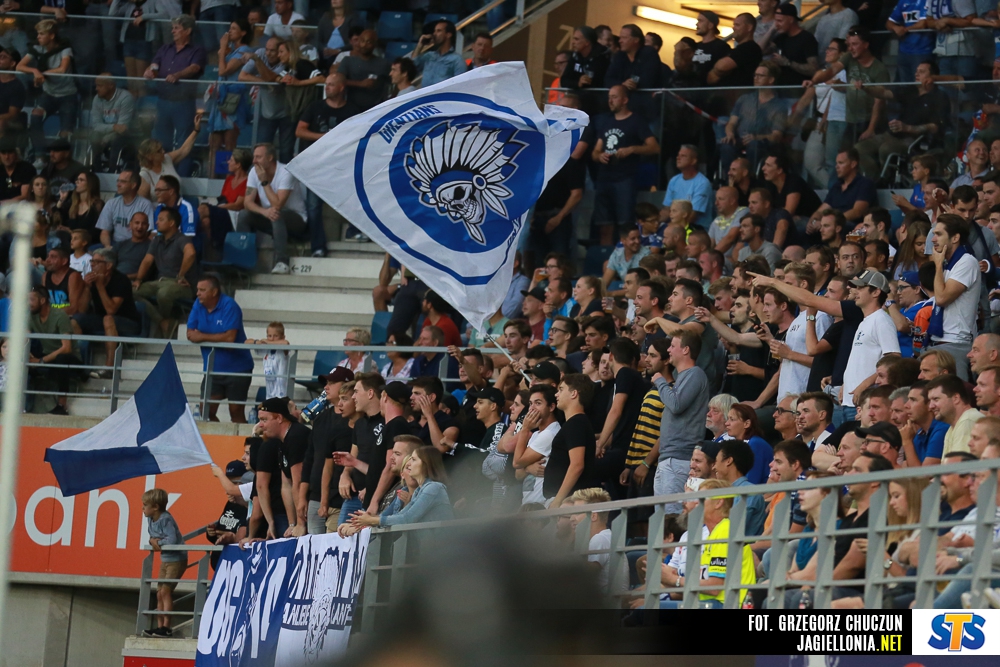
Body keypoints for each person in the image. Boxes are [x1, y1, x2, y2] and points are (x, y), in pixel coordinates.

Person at [633, 331, 711, 514]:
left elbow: (676, 405)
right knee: (663, 519)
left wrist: (661, 382)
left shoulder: (695, 374)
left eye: (673, 346)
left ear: (685, 350)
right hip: (668, 458)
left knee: (673, 517)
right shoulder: (684, 376)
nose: (669, 350)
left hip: (679, 457)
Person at [590, 86, 660, 247]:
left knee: (625, 224)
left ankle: (626, 253)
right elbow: (595, 151)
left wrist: (632, 149)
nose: (610, 101)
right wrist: (599, 155)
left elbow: (654, 147)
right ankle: (607, 258)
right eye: (609, 97)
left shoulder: (636, 121)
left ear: (625, 100)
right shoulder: (606, 121)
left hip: (625, 179)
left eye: (614, 97)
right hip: (605, 178)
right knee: (604, 225)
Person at [143, 16, 206, 177]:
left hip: (183, 103)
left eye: (176, 28)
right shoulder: (165, 48)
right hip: (163, 101)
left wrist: (177, 75)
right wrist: (150, 71)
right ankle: (161, 176)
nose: (173, 31)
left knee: (184, 142)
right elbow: (155, 64)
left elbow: (195, 67)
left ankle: (181, 177)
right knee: (160, 142)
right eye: (173, 28)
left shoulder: (197, 50)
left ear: (188, 31)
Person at [186, 275, 254, 423]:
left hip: (238, 368)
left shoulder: (229, 305)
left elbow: (230, 337)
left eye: (202, 290)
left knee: (236, 412)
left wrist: (202, 336)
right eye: (197, 289)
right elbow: (190, 333)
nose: (197, 293)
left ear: (214, 292)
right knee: (205, 411)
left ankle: (244, 438)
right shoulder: (198, 304)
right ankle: (220, 436)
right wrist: (214, 336)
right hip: (212, 369)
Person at [237, 143, 307, 275]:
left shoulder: (285, 172)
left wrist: (264, 182)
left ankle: (282, 261)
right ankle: (243, 259)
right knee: (244, 215)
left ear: (270, 158)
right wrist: (264, 211)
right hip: (269, 215)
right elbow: (247, 202)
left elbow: (278, 204)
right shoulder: (254, 172)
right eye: (254, 157)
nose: (254, 161)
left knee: (276, 213)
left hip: (296, 219)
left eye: (258, 157)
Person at [73, 247, 140, 377]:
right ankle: (79, 364)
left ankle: (109, 368)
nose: (92, 265)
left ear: (109, 265)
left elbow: (111, 310)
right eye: (92, 261)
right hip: (102, 319)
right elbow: (81, 310)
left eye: (97, 262)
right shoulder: (93, 280)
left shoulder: (121, 280)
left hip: (128, 322)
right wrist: (87, 287)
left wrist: (99, 286)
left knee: (108, 318)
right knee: (76, 320)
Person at [928, 215, 981, 380]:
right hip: (938, 341)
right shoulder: (948, 263)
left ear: (955, 238)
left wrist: (937, 265)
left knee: (953, 392)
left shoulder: (967, 262)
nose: (933, 239)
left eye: (939, 234)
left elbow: (942, 298)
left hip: (955, 343)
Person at [349, 446, 454, 527]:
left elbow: (407, 518)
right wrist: (360, 523)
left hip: (440, 546)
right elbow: (398, 516)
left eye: (414, 460)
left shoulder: (434, 488)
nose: (409, 464)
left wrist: (371, 520)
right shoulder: (419, 490)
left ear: (426, 464)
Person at [132, 208, 197, 338]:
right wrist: (138, 279)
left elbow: (191, 253)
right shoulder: (157, 240)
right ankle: (163, 322)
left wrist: (181, 275)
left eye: (161, 220)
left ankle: (165, 322)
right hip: (159, 281)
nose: (157, 222)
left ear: (171, 223)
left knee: (163, 294)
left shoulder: (182, 239)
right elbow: (147, 260)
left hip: (181, 284)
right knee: (131, 292)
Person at [16, 20, 75, 161]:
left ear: (52, 36)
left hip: (67, 94)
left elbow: (62, 69)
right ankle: (39, 156)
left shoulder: (65, 49)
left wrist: (42, 74)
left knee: (66, 131)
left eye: (42, 34)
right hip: (49, 94)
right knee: (35, 117)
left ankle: (62, 159)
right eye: (38, 33)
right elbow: (19, 66)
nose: (38, 37)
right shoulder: (38, 48)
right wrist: (35, 71)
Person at [252, 397, 310, 538]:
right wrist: (292, 523)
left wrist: (301, 523)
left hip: (314, 503)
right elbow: (286, 485)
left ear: (279, 418)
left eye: (264, 420)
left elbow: (298, 482)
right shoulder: (282, 440)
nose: (260, 425)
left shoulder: (296, 436)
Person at [206, 19, 254, 176]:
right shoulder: (230, 50)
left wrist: (221, 50)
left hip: (234, 101)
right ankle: (212, 180)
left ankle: (228, 180)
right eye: (230, 28)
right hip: (220, 99)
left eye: (234, 28)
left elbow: (223, 71)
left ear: (243, 32)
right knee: (214, 143)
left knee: (229, 144)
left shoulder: (244, 51)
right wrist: (224, 51)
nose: (230, 31)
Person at [239, 37, 295, 164]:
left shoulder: (286, 62)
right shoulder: (260, 53)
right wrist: (267, 83)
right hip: (267, 113)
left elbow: (270, 77)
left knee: (286, 152)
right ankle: (261, 176)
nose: (268, 53)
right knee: (262, 149)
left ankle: (284, 177)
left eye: (273, 51)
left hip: (287, 113)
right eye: (267, 49)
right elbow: (242, 76)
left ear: (280, 51)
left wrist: (257, 61)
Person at [546, 374, 597, 508]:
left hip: (568, 501)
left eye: (561, 389)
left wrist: (558, 500)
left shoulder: (576, 423)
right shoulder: (575, 423)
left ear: (574, 393)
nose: (556, 394)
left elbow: (577, 465)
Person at [28, 285, 80, 415]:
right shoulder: (31, 316)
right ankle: (22, 404)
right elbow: (24, 339)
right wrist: (28, 355)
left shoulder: (60, 316)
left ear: (42, 300)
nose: (28, 304)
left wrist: (40, 361)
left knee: (61, 360)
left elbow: (66, 348)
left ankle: (62, 405)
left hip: (70, 358)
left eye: (31, 300)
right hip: (48, 356)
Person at [568, 487, 629, 596]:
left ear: (593, 516)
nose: (571, 518)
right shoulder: (605, 536)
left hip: (608, 603)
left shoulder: (600, 538)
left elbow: (584, 575)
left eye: (576, 513)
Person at [141, 488, 185, 637]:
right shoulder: (150, 519)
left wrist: (157, 542)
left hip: (177, 560)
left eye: (145, 505)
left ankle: (166, 627)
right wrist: (152, 541)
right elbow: (153, 537)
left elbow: (171, 540)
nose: (142, 508)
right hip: (165, 559)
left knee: (165, 591)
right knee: (159, 593)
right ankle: (159, 627)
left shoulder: (166, 519)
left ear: (155, 507)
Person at [926, 374, 982, 457]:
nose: (931, 406)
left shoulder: (967, 421)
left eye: (936, 399)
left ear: (956, 398)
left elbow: (960, 464)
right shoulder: (953, 427)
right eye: (930, 401)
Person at [660, 145, 713, 229]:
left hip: (696, 230)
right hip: (676, 228)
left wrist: (671, 228)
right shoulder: (674, 180)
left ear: (693, 161)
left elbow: (692, 215)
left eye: (683, 156)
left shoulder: (702, 183)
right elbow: (667, 209)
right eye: (678, 155)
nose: (678, 158)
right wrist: (654, 223)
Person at [89, 74, 134, 169]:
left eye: (100, 86)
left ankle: (112, 170)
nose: (96, 89)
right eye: (96, 85)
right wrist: (113, 127)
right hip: (107, 133)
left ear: (111, 85)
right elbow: (96, 125)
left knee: (116, 139)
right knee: (94, 136)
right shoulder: (97, 99)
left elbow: (123, 128)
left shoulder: (125, 97)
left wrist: (107, 137)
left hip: (128, 135)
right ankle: (96, 169)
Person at [722, 404, 774, 486]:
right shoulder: (742, 444)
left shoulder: (756, 444)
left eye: (732, 419)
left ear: (747, 423)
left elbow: (751, 481)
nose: (726, 423)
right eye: (727, 419)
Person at [771, 3, 818, 85]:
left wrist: (788, 63)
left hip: (799, 86)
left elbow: (813, 69)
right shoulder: (780, 38)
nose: (776, 24)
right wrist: (771, 30)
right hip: (781, 87)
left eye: (780, 21)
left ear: (791, 20)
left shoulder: (807, 38)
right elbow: (761, 49)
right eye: (775, 21)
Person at [410, 20, 464, 88]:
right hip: (426, 94)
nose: (434, 34)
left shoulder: (457, 60)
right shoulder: (429, 56)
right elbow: (412, 66)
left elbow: (460, 85)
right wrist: (419, 45)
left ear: (448, 35)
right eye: (434, 31)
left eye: (439, 31)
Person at [317, 0, 363, 70]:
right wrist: (324, 49)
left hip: (344, 55)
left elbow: (355, 42)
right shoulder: (325, 17)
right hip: (325, 55)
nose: (334, 0)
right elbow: (318, 40)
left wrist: (338, 50)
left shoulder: (353, 18)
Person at [114, 212, 151, 279]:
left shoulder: (151, 246)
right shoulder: (121, 244)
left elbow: (149, 273)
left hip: (136, 281)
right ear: (130, 224)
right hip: (116, 279)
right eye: (137, 223)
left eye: (144, 224)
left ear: (148, 226)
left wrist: (123, 278)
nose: (140, 227)